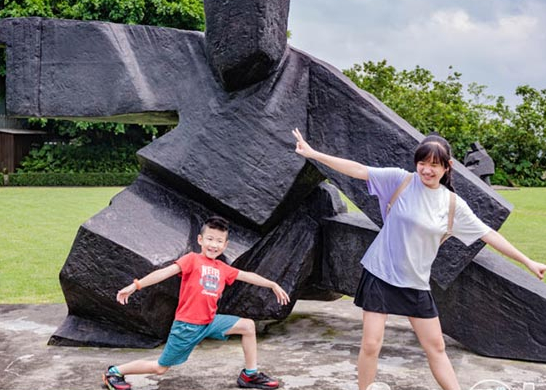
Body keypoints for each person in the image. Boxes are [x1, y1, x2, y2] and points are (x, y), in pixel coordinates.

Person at [292, 128, 546, 390]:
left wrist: (528, 261)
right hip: (381, 273)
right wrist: (313, 154)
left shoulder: (452, 205)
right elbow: (358, 170)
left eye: (434, 164)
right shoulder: (400, 180)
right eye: (422, 162)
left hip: (415, 283)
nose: (426, 169)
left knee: (436, 347)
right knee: (370, 344)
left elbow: (488, 235)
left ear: (447, 167)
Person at [102, 216, 290, 390]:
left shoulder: (222, 268)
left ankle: (250, 375)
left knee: (248, 326)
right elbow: (164, 272)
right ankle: (115, 372)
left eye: (219, 241)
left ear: (225, 245)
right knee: (160, 368)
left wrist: (272, 284)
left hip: (209, 322)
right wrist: (136, 285)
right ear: (200, 240)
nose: (213, 244)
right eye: (210, 239)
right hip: (187, 326)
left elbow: (246, 275)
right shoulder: (192, 260)